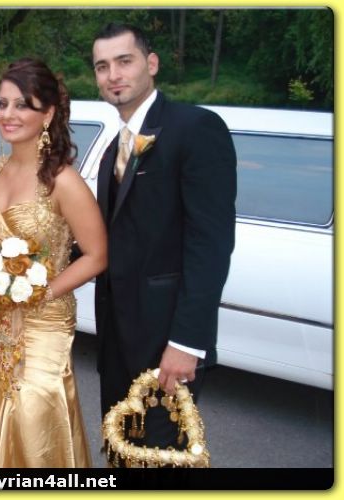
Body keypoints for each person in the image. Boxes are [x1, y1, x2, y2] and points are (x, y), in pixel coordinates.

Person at [92, 22, 237, 453]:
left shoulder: (196, 128)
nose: (113, 74)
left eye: (124, 61)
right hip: (117, 340)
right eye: (102, 66)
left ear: (151, 64)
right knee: (122, 453)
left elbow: (210, 245)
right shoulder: (113, 149)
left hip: (166, 344)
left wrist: (186, 343)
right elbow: (114, 237)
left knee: (162, 461)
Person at [0, 58, 107, 468]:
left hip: (43, 321)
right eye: (2, 103)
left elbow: (97, 255)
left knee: (33, 420)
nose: (8, 114)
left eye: (22, 104)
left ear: (48, 114)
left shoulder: (63, 181)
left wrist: (39, 293)